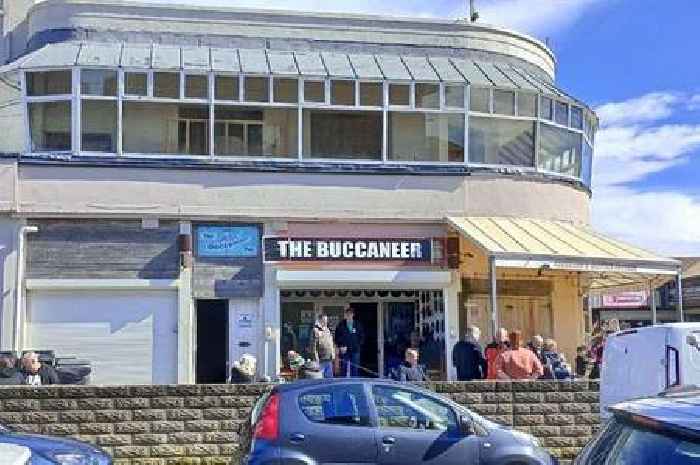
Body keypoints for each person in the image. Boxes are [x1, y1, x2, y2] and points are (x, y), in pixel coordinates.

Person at [334, 307, 364, 377]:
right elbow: (337, 337)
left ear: (353, 315)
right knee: (344, 368)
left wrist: (357, 346)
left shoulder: (358, 324)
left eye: (350, 314)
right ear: (345, 314)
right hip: (344, 351)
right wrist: (341, 346)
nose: (348, 315)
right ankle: (344, 384)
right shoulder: (341, 325)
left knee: (355, 368)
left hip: (355, 351)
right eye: (347, 314)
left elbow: (362, 337)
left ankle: (354, 384)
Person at [309, 313, 335, 378]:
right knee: (320, 378)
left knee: (329, 378)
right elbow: (313, 346)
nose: (325, 322)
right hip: (321, 359)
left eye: (326, 320)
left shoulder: (328, 330)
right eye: (324, 320)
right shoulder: (315, 330)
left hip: (329, 358)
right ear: (319, 320)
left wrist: (333, 354)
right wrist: (316, 359)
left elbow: (330, 343)